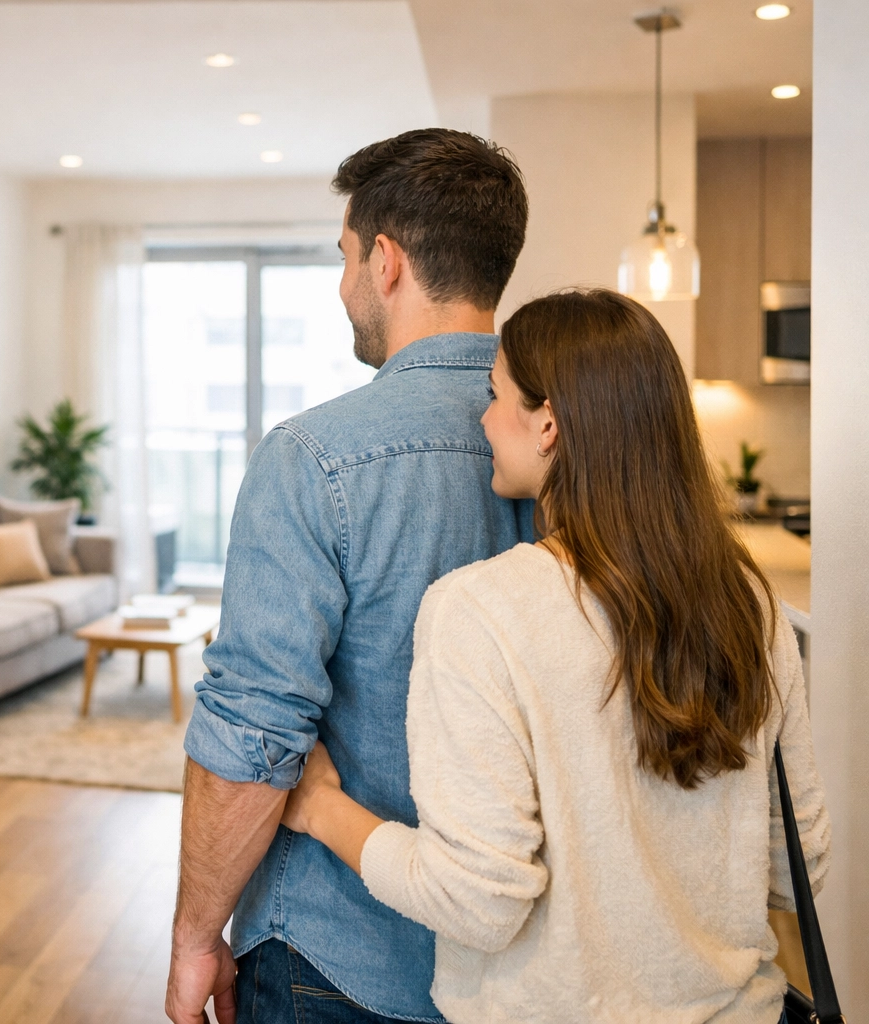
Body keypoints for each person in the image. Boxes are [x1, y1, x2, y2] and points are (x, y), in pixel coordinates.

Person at [279, 288, 830, 1024]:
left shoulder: (481, 609)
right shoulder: (748, 603)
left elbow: (475, 901)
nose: (481, 419)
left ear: (549, 425)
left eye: (494, 394)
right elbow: (801, 870)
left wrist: (320, 808)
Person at [167, 128, 534, 1024]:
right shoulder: (581, 445)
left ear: (386, 260)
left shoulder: (314, 458)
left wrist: (193, 937)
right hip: (530, 963)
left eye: (342, 259)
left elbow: (254, 734)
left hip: (340, 954)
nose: (342, 289)